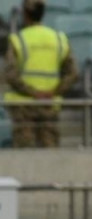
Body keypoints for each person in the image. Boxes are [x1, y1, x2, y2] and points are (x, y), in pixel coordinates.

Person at [3, 0, 77, 147]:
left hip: (23, 108)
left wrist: (34, 93)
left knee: (25, 155)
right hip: (49, 105)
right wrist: (54, 92)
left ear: (25, 14)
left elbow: (10, 74)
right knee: (50, 153)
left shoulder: (18, 40)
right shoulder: (59, 39)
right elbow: (73, 73)